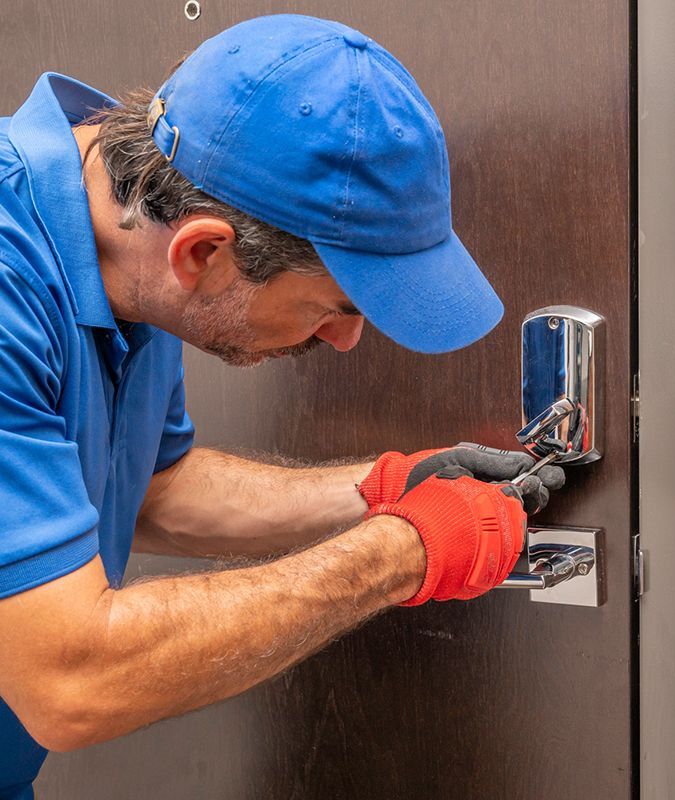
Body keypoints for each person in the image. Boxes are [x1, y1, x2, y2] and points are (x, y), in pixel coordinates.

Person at [0, 15, 564, 799]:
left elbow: (153, 488)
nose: (346, 340)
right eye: (335, 306)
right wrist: (399, 553)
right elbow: (71, 681)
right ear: (203, 251)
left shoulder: (129, 247)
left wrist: (379, 489)